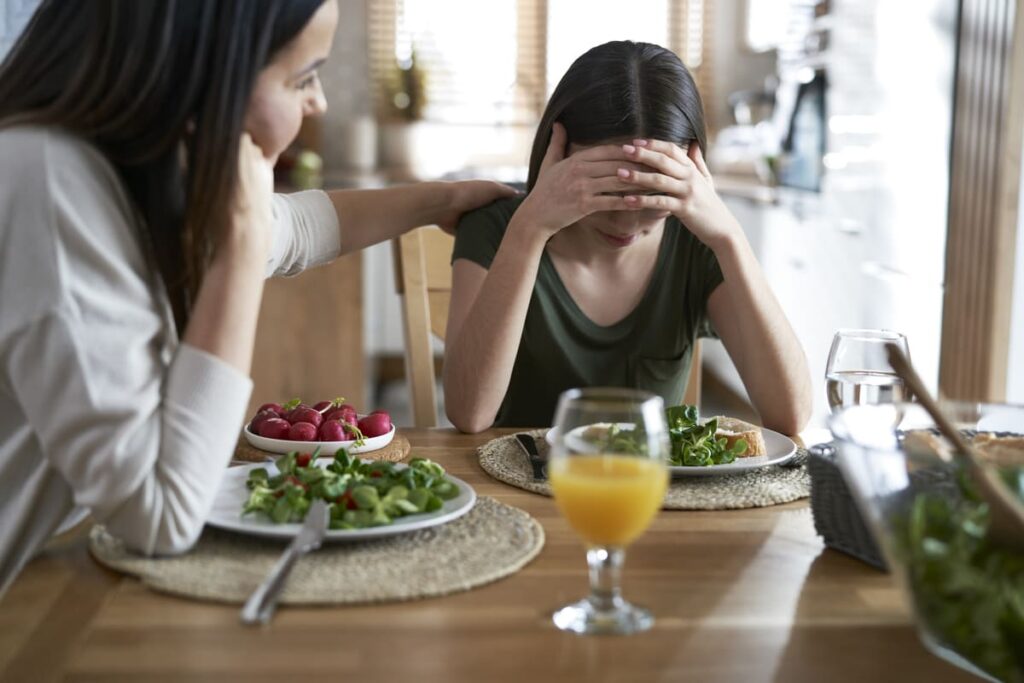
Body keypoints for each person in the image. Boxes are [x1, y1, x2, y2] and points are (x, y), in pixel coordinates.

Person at [0, 0, 514, 594]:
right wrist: (239, 260)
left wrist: (439, 202)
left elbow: (294, 227)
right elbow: (161, 518)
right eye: (302, 77)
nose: (317, 101)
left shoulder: (116, 165)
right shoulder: (51, 186)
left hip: (53, 560)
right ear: (210, 70)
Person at [444, 41, 812, 434]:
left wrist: (730, 238)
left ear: (691, 168)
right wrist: (528, 231)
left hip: (652, 491)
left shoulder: (699, 242)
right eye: (605, 191)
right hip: (517, 487)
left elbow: (790, 415)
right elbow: (470, 414)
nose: (626, 222)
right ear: (559, 155)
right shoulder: (498, 228)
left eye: (653, 195)